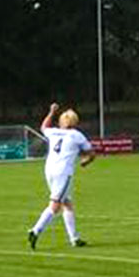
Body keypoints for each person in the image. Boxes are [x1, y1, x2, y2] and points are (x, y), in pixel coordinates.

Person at [28, 103, 95, 249]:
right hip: (63, 172)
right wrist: (86, 162)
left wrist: (51, 112)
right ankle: (35, 230)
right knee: (55, 205)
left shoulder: (53, 132)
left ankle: (74, 239)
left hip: (49, 169)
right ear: (75, 122)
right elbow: (91, 153)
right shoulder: (77, 135)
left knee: (67, 204)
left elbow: (43, 127)